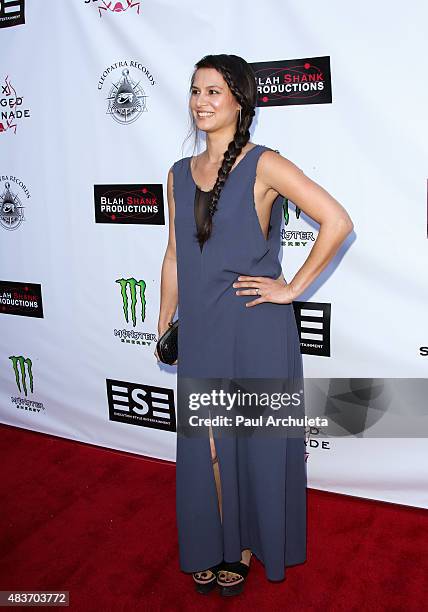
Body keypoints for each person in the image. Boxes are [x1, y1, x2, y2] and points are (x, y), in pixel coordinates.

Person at [155, 54, 353, 597]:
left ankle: (243, 546)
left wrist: (291, 289)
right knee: (211, 444)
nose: (201, 101)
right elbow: (174, 255)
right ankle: (214, 539)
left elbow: (337, 221)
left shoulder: (264, 164)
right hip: (203, 332)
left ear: (240, 101)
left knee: (254, 442)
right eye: (195, 90)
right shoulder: (176, 174)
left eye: (214, 91)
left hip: (256, 329)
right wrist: (165, 318)